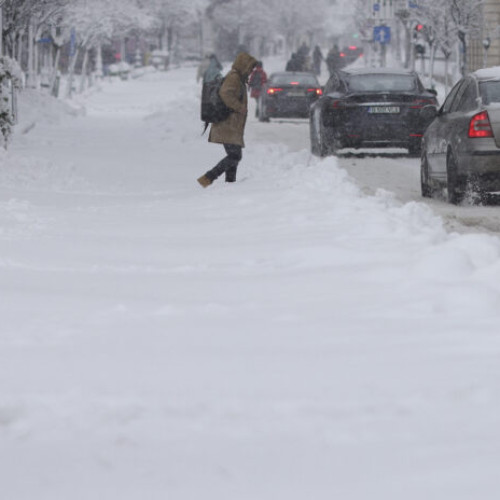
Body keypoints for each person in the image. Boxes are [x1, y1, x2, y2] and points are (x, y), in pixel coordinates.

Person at [197, 52, 258, 187]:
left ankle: (230, 183)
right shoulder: (234, 77)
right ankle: (208, 177)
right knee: (235, 156)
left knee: (234, 156)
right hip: (227, 124)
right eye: (250, 68)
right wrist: (239, 107)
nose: (251, 71)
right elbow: (225, 93)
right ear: (243, 66)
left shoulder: (238, 78)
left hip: (231, 125)